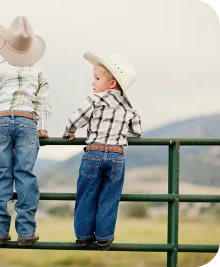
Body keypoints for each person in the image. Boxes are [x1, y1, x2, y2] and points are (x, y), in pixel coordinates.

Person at [0, 16, 51, 246]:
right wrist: (43, 128)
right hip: (28, 122)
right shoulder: (38, 73)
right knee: (25, 175)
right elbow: (43, 104)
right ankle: (26, 232)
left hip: (2, 122)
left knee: (0, 173)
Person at [63, 51, 142, 251]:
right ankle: (104, 237)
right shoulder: (129, 107)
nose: (93, 83)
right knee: (109, 197)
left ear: (112, 83)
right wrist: (120, 135)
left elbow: (75, 120)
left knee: (86, 195)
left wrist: (69, 132)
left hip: (94, 153)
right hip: (117, 156)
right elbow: (137, 131)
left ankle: (83, 236)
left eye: (97, 78)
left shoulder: (95, 100)